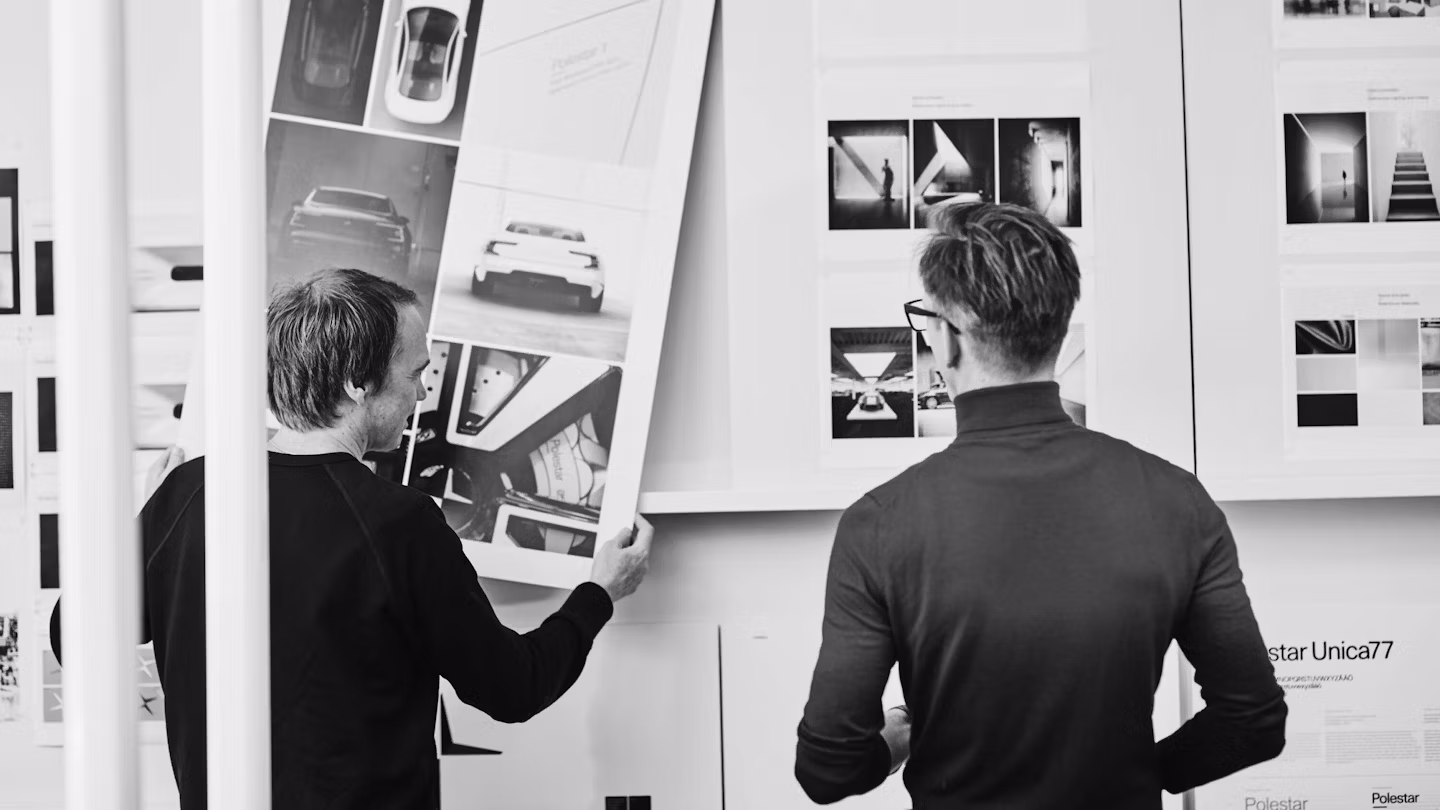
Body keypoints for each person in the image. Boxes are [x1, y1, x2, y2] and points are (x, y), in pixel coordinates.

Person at [50, 267, 654, 809]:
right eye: (415, 373)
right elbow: (513, 687)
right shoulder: (400, 523)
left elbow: (72, 636)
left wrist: (140, 525)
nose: (422, 393)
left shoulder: (187, 494)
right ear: (359, 382)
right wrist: (598, 593)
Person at [794, 202, 1286, 807]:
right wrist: (1138, 773)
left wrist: (892, 748)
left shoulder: (880, 524)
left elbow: (829, 769)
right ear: (1057, 328)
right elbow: (1253, 720)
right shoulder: (1176, 499)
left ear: (947, 336)